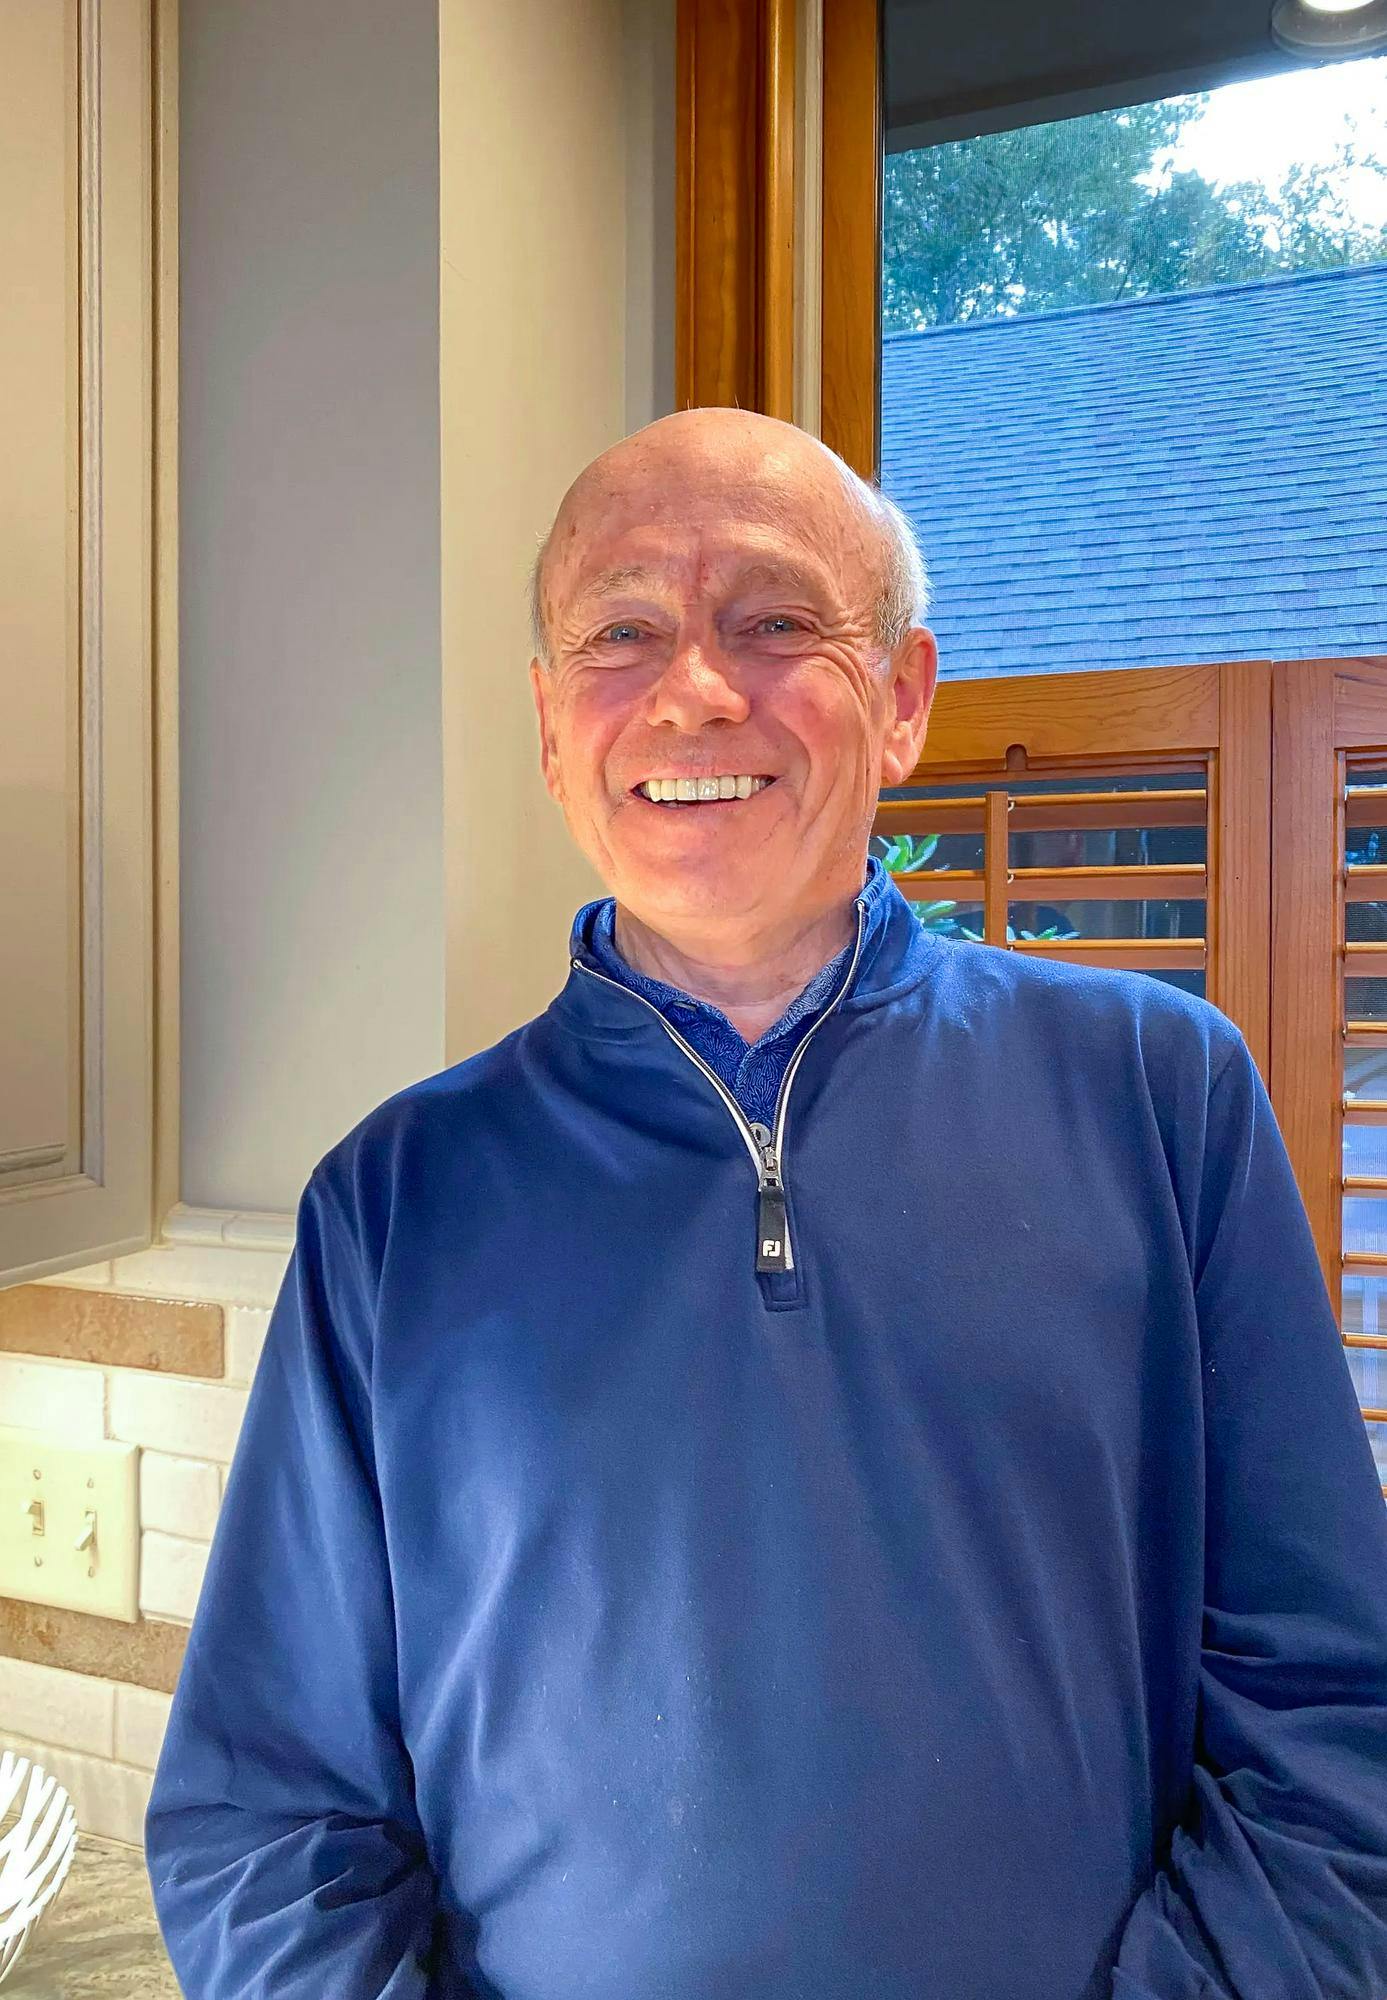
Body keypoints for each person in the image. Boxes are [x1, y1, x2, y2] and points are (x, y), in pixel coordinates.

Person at [144, 408, 1387, 1998]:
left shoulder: (1160, 1097)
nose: (695, 689)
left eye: (775, 621)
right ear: (547, 727)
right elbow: (263, 1821)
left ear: (905, 701)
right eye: (624, 629)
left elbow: (1333, 1726)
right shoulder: (394, 1204)